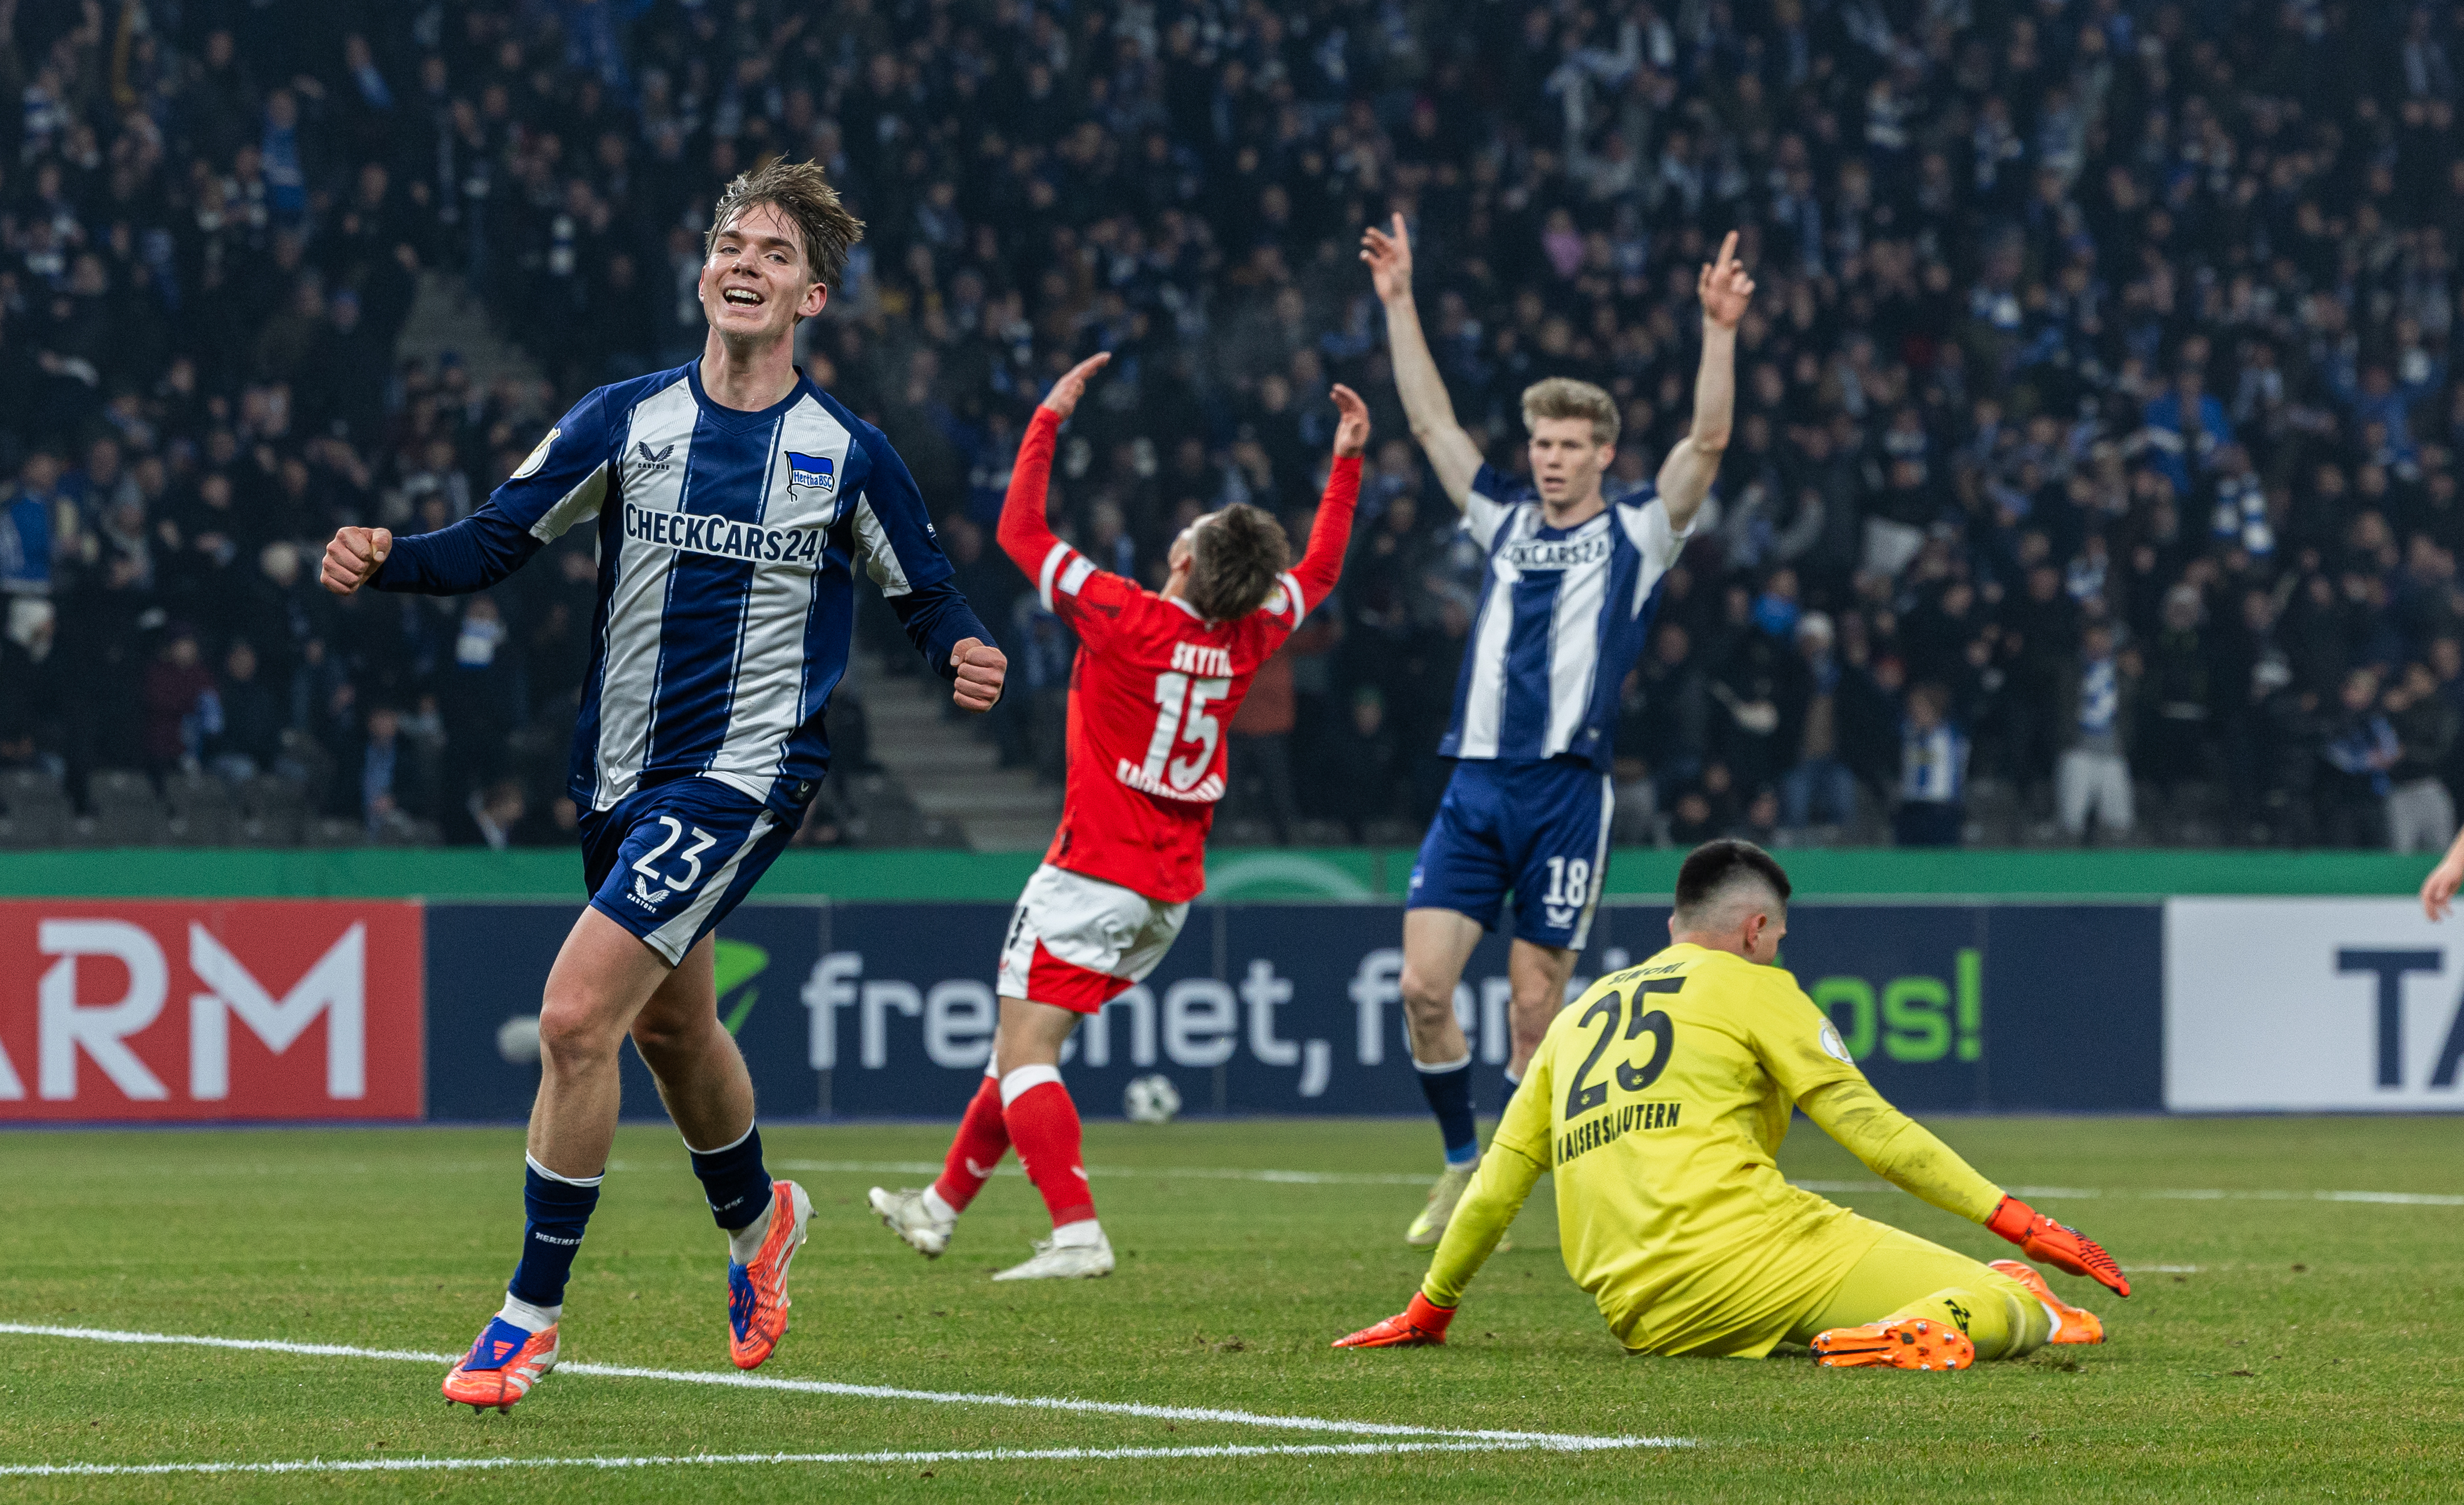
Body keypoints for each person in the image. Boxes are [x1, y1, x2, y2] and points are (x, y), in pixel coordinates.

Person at [319, 160, 1010, 1410]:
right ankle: (759, 1220)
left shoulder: (846, 453)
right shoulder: (624, 420)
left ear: (812, 296)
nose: (746, 262)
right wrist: (387, 560)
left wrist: (959, 646)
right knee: (672, 1026)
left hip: (744, 777)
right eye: (730, 243)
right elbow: (491, 541)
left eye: (775, 252)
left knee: (577, 1019)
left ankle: (527, 1316)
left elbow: (928, 586)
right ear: (705, 271)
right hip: (616, 777)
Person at [867, 352, 1366, 1278]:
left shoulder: (1124, 617)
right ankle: (938, 1207)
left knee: (1025, 1052)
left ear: (1183, 558)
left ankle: (1075, 1230)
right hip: (1165, 893)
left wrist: (1049, 415)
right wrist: (1345, 463)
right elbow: (1323, 565)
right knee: (1021, 1049)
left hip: (1090, 870)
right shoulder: (1255, 633)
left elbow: (1017, 527)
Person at [1335, 840, 2129, 1369]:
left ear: (1672, 925)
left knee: (1933, 1280)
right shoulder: (1757, 985)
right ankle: (1926, 1330)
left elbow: (1498, 1182)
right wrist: (2019, 1221)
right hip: (1751, 1256)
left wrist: (1428, 1310)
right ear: (1755, 929)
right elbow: (1873, 1130)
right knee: (2004, 1299)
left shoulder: (1577, 1017)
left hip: (1643, 1314)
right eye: (1775, 938)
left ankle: (1878, 1324)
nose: (1775, 950)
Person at [1358, 213, 1750, 1246]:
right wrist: (1399, 304)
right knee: (1419, 989)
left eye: (1571, 445)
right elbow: (1436, 425)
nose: (1550, 460)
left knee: (1536, 1013)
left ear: (1604, 453)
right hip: (1473, 785)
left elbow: (1706, 442)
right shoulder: (1500, 514)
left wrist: (1718, 331)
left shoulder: (1636, 533)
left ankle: (1517, 1186)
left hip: (1565, 791)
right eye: (1540, 443)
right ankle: (1458, 1163)